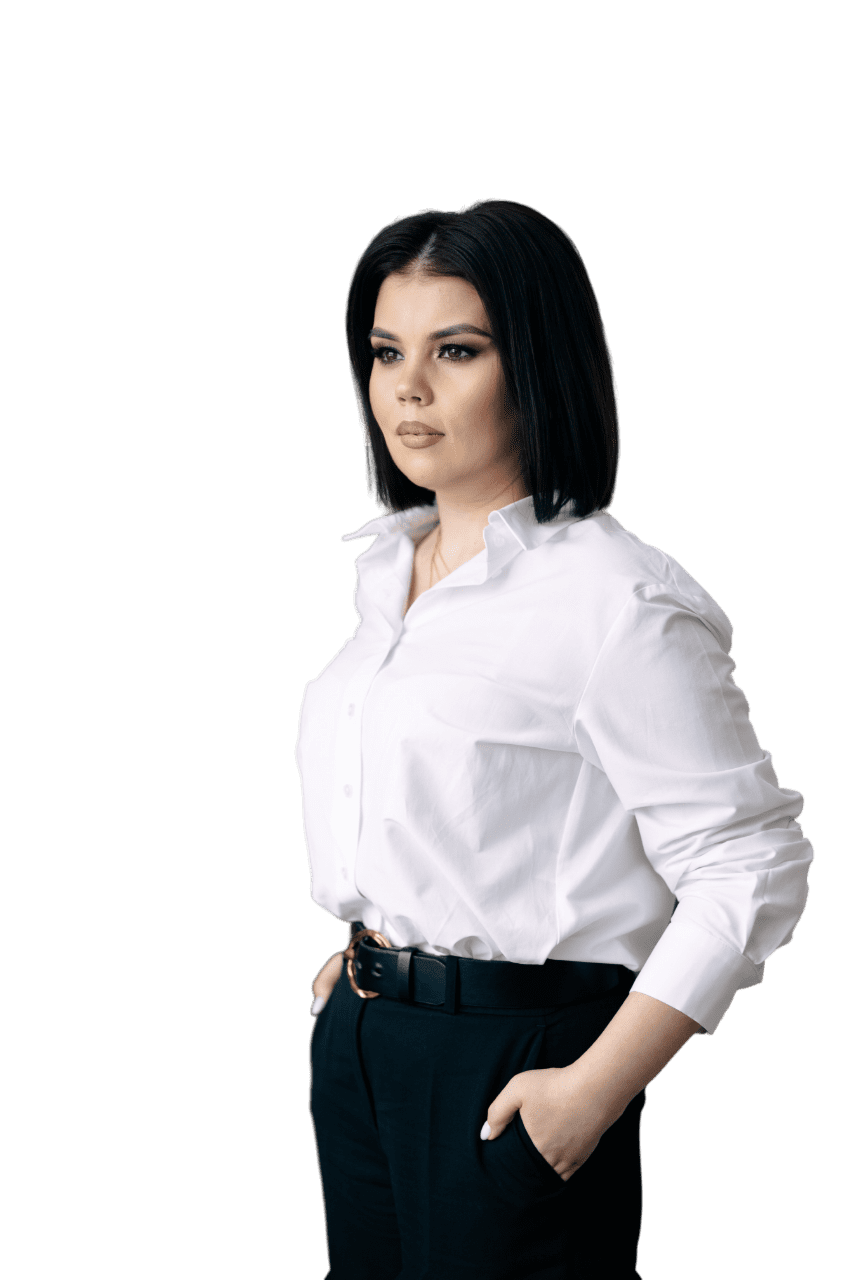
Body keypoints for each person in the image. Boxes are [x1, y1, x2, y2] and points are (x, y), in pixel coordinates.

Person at [295, 199, 813, 1280]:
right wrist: (380, 949)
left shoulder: (614, 602)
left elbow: (749, 860)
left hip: (518, 1060)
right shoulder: (387, 577)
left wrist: (597, 1085)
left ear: (535, 364)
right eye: (386, 351)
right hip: (366, 1039)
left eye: (456, 350)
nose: (408, 387)